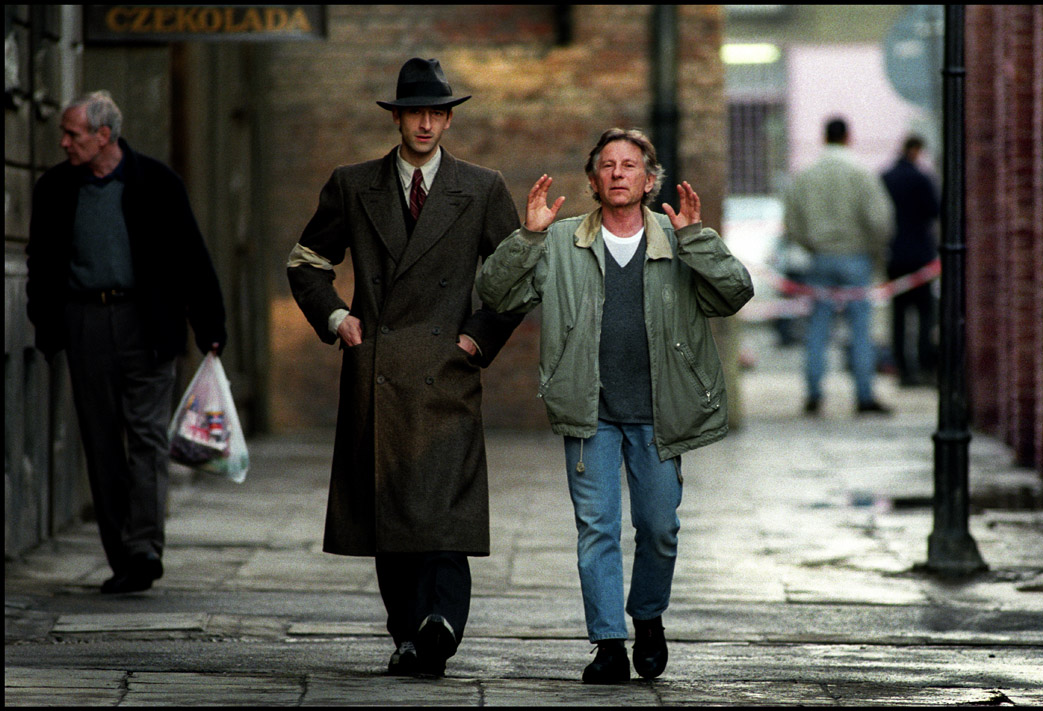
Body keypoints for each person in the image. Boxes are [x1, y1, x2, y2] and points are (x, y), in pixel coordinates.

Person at [476, 128, 754, 684]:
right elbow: (495, 293)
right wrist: (526, 239)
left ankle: (647, 617)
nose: (619, 172)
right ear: (594, 179)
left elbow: (735, 294)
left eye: (631, 164)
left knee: (658, 527)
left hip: (659, 414)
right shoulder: (558, 243)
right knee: (597, 528)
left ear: (650, 180)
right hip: (590, 411)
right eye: (608, 164)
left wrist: (699, 239)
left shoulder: (680, 241)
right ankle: (608, 642)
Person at [286, 57, 523, 679]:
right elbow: (307, 260)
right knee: (390, 509)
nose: (424, 123)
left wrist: (476, 338)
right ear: (397, 118)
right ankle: (408, 633)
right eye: (413, 112)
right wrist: (339, 320)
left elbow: (515, 280)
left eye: (435, 113)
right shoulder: (352, 183)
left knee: (444, 502)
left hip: (447, 367)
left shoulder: (482, 187)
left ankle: (440, 621)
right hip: (378, 370)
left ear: (448, 120)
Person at [25, 90, 227, 595]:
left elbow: (190, 256)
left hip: (146, 322)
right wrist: (46, 325)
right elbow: (40, 263)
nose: (64, 142)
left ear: (103, 136)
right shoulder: (54, 189)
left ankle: (144, 548)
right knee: (100, 442)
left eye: (73, 134)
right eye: (65, 134)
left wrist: (210, 327)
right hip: (85, 322)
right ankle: (121, 556)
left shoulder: (155, 182)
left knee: (147, 438)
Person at [782, 116, 894, 416]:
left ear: (823, 137)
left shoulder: (807, 175)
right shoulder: (861, 174)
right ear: (848, 137)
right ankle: (864, 395)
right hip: (856, 257)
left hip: (819, 257)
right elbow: (880, 219)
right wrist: (874, 251)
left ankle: (814, 394)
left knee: (817, 328)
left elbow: (792, 221)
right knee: (860, 329)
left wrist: (810, 244)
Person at [881, 134, 940, 387]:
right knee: (925, 313)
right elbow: (934, 210)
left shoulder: (886, 177)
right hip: (919, 256)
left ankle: (902, 367)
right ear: (916, 150)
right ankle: (924, 363)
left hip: (894, 255)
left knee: (899, 315)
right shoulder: (921, 178)